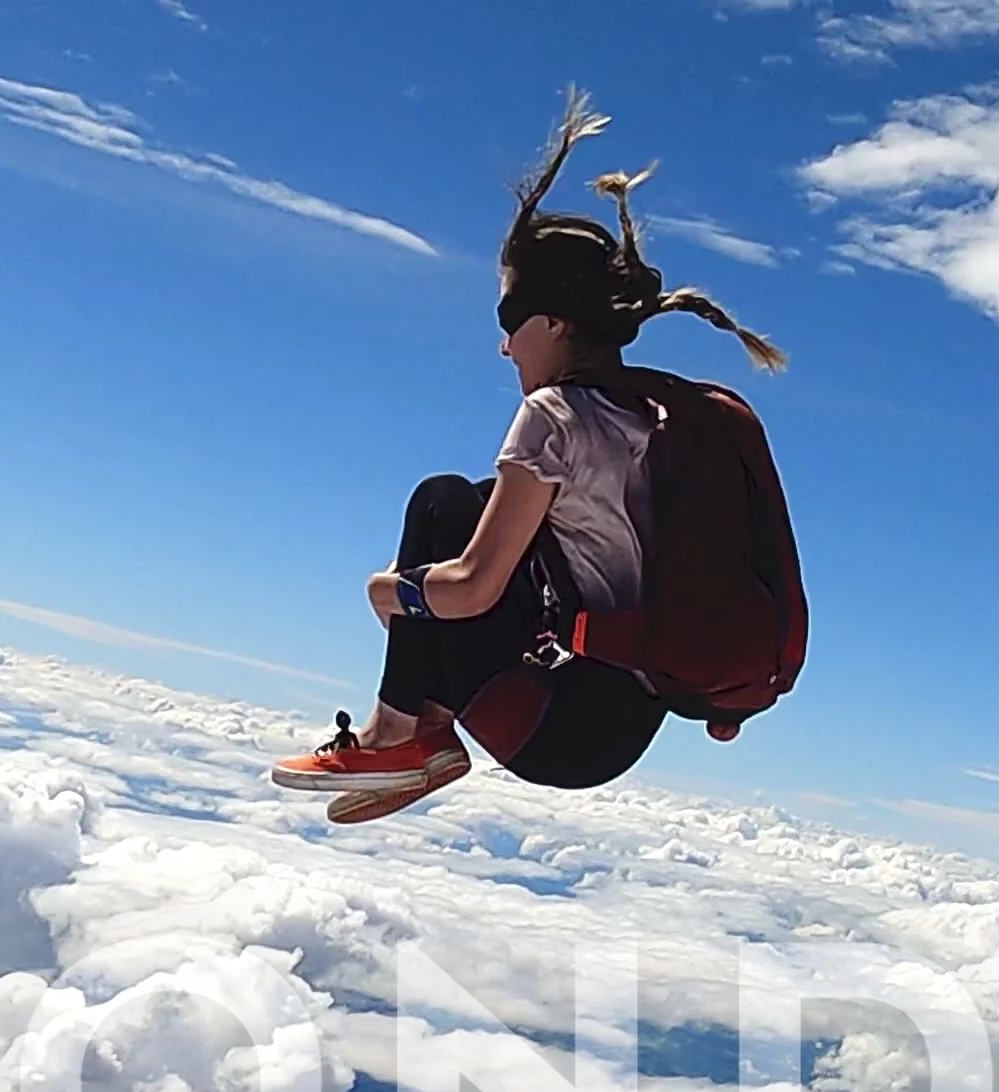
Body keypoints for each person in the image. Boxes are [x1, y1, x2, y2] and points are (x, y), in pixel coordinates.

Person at [269, 93, 785, 825]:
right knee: (480, 502)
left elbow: (475, 589)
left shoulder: (555, 415)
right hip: (631, 720)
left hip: (555, 727)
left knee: (443, 503)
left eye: (508, 319)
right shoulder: (662, 416)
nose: (505, 344)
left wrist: (392, 594)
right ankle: (430, 736)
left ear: (552, 321)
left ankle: (396, 738)